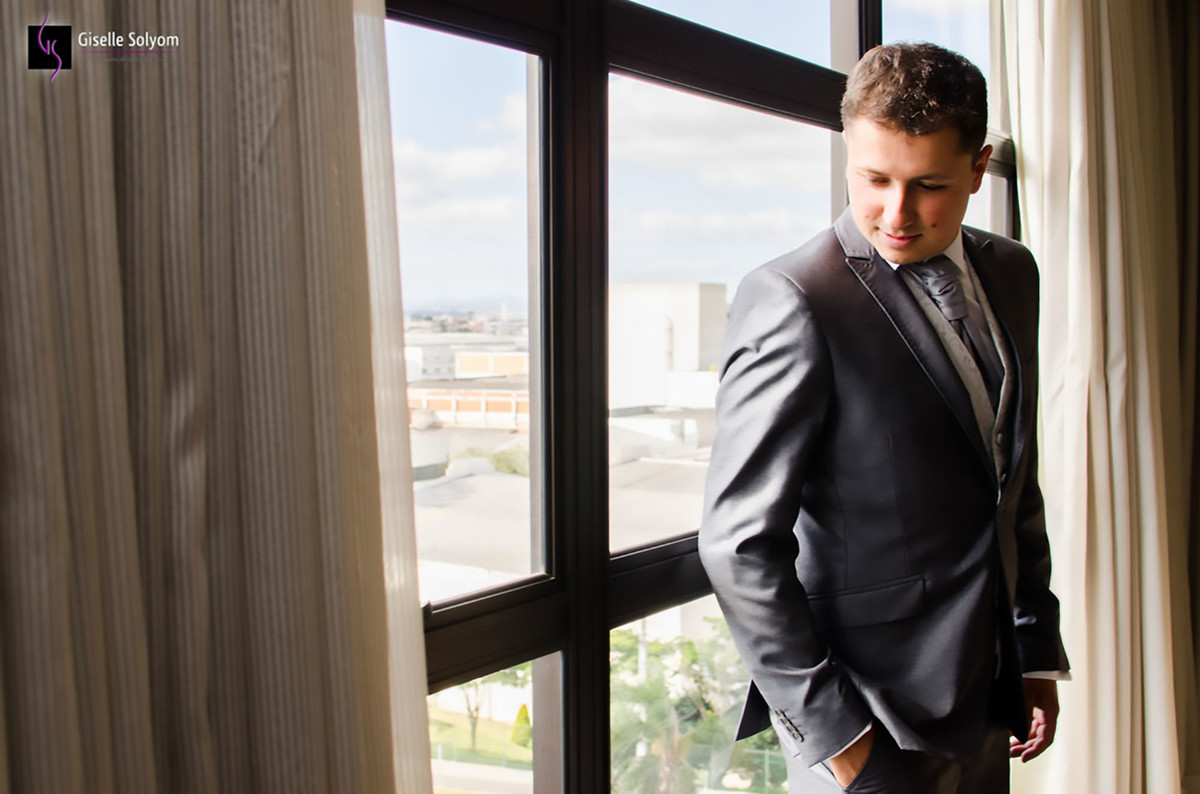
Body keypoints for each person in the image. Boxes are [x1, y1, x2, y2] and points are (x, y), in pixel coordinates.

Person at [698, 42, 1070, 794]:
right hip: (868, 720)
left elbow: (1009, 474)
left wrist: (1031, 648)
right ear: (848, 156)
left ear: (979, 168)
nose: (896, 214)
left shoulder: (1012, 271)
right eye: (874, 179)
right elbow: (738, 544)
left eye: (928, 186)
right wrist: (843, 745)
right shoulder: (793, 298)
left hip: (987, 690)